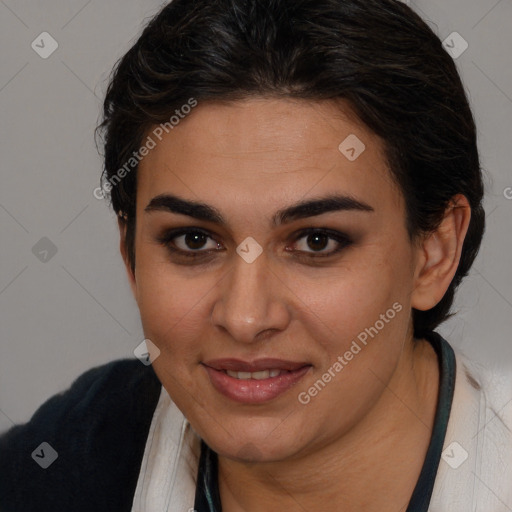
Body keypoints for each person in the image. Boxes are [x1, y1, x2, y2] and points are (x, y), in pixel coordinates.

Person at [1, 0, 511, 510]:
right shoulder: (75, 457)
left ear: (435, 252)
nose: (245, 318)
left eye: (317, 241)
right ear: (130, 253)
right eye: (193, 241)